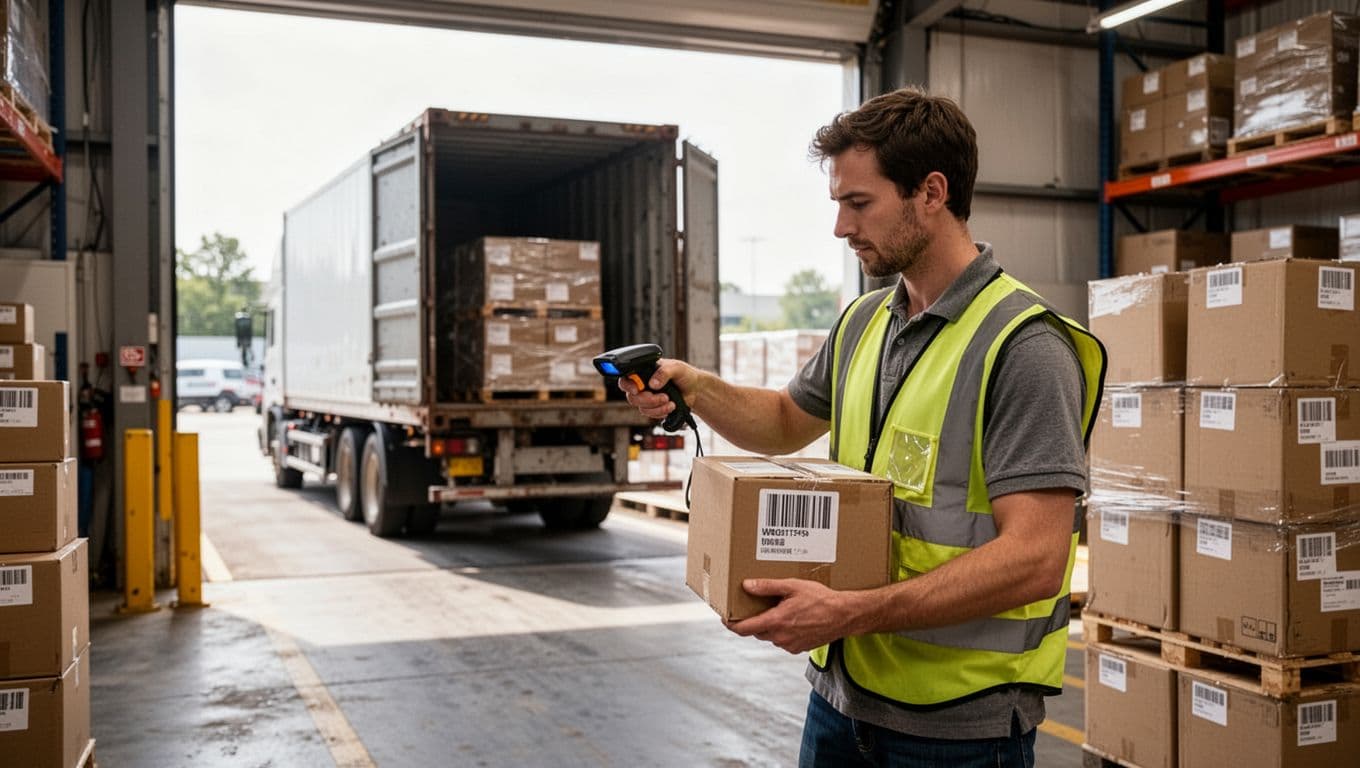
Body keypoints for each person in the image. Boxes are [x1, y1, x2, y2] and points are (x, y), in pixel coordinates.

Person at [620, 86, 1106, 767]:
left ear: (931, 193)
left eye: (858, 204)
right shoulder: (865, 322)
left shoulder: (1024, 347)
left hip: (958, 730)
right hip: (842, 700)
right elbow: (788, 421)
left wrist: (851, 611)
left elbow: (1036, 558)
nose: (841, 229)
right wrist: (695, 387)